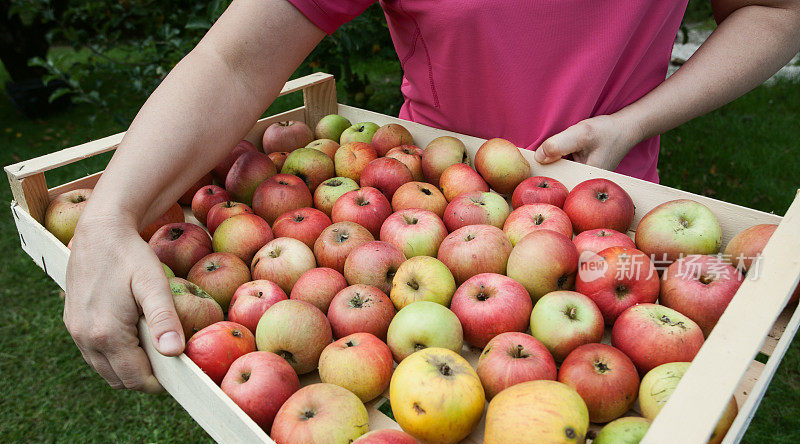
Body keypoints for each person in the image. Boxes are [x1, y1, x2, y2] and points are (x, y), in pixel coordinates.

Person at [64, 0, 800, 391]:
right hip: (419, 215)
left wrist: (636, 120)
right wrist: (109, 210)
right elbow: (233, 59)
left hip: (607, 222)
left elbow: (776, 8)